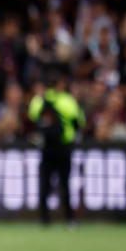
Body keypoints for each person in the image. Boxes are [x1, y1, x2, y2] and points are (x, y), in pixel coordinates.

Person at [27, 68, 85, 226]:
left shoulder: (40, 100)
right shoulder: (68, 100)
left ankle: (44, 220)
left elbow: (32, 117)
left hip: (46, 147)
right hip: (64, 146)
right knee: (65, 183)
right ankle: (69, 219)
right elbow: (79, 120)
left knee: (45, 183)